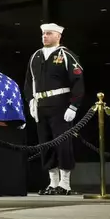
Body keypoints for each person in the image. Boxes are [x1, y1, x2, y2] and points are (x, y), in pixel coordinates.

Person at [24, 23, 84, 195]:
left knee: (63, 144)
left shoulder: (66, 55)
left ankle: (65, 184)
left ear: (58, 36)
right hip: (41, 105)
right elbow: (28, 83)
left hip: (61, 105)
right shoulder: (35, 56)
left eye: (49, 33)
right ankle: (53, 183)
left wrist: (74, 105)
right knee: (46, 144)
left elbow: (78, 82)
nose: (45, 36)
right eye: (43, 34)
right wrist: (30, 102)